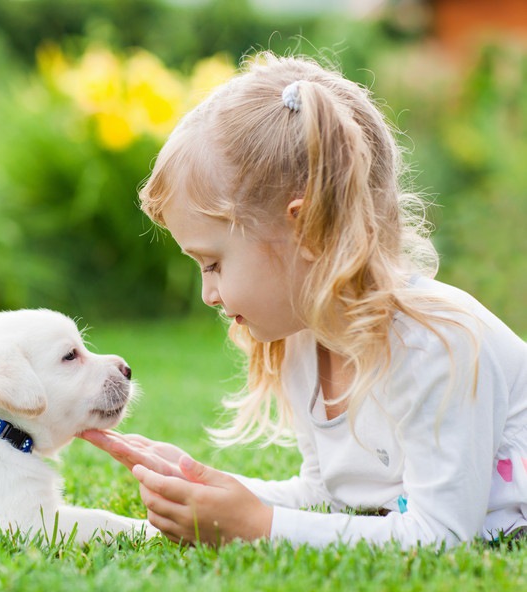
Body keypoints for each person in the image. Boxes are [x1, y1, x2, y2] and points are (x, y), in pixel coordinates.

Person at [80, 52, 527, 549]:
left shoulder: (437, 347)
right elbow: (326, 497)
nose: (208, 293)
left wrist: (256, 527)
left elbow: (440, 535)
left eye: (213, 263)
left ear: (306, 228)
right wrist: (200, 483)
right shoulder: (303, 341)